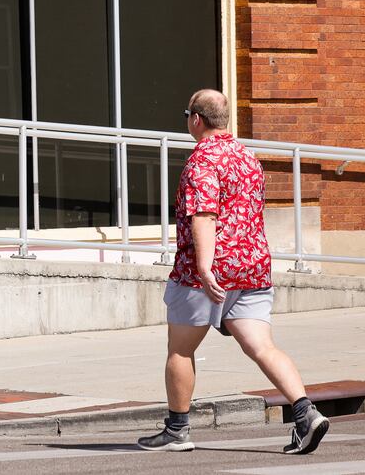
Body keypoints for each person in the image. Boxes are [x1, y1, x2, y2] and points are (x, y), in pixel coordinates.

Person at [138, 88, 329, 454]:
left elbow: (205, 215)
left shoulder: (202, 161)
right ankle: (306, 414)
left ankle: (177, 430)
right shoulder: (247, 158)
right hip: (253, 268)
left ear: (196, 119)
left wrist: (206, 268)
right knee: (262, 346)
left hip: (205, 275)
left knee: (180, 350)